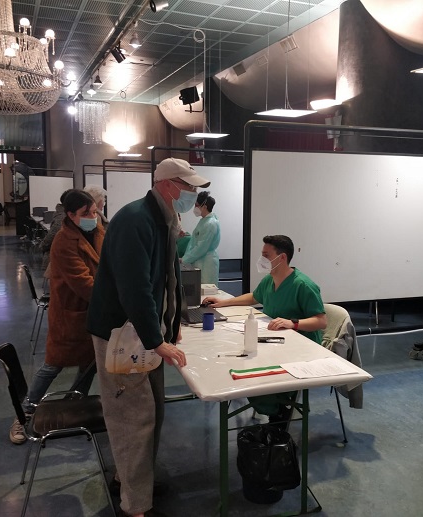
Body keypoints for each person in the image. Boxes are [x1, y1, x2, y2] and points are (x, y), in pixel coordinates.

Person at [86, 157, 205, 517]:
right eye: (188, 187)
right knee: (133, 419)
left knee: (152, 412)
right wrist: (156, 339)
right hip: (123, 335)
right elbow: (135, 290)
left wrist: (173, 321)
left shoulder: (163, 219)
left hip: (143, 333)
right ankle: (135, 506)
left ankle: (133, 482)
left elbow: (170, 276)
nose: (193, 193)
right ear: (168, 185)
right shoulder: (135, 220)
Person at [9, 190, 105, 444]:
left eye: (94, 211)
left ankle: (75, 403)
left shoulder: (98, 231)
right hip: (71, 313)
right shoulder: (63, 242)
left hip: (95, 311)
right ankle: (25, 412)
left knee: (90, 362)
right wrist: (116, 294)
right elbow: (84, 284)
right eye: (86, 213)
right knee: (53, 363)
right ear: (70, 215)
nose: (93, 216)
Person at [203, 234, 327, 423]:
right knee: (240, 362)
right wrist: (224, 302)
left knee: (256, 374)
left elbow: (321, 321)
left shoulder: (303, 285)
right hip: (274, 340)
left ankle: (279, 412)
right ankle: (273, 409)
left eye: (266, 255)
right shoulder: (270, 280)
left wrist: (293, 323)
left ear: (282, 257)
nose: (261, 260)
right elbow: (254, 297)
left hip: (300, 347)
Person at [181, 191, 220, 285]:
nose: (195, 208)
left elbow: (201, 247)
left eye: (196, 205)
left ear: (204, 207)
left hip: (206, 264)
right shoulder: (204, 221)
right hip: (200, 261)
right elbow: (196, 241)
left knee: (206, 290)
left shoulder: (210, 224)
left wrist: (184, 259)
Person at [39, 189, 72, 272]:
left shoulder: (62, 214)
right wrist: (43, 246)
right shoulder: (62, 217)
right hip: (56, 260)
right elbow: (51, 236)